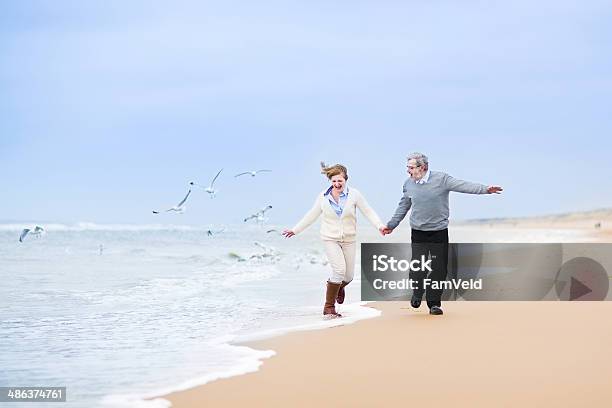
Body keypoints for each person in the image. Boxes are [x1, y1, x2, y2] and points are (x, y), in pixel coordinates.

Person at [382, 152, 503, 315]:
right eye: (407, 167)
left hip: (439, 231)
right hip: (418, 232)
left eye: (411, 168)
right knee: (418, 268)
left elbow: (463, 185)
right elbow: (403, 206)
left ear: (422, 167)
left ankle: (434, 303)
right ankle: (417, 292)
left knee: (439, 269)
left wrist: (486, 189)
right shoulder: (408, 184)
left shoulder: (441, 179)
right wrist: (391, 225)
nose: (408, 171)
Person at [283, 163, 386, 318]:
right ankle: (329, 307)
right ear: (330, 181)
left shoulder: (354, 195)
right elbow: (312, 215)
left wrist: (379, 226)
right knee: (339, 271)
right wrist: (295, 230)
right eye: (334, 181)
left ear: (346, 180)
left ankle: (335, 286)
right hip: (330, 238)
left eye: (340, 181)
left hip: (349, 240)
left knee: (348, 276)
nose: (337, 184)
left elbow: (368, 211)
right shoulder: (323, 197)